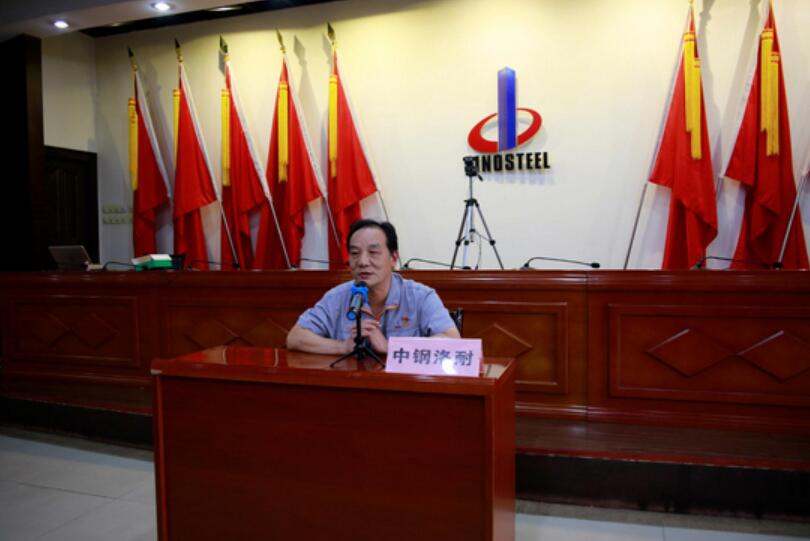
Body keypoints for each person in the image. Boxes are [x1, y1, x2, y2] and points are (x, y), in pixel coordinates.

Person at [286, 219, 460, 355]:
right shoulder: (337, 297)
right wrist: (342, 347)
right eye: (355, 253)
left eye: (373, 252)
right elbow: (296, 337)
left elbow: (452, 340)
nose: (362, 262)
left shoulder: (421, 296)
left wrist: (390, 347)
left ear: (393, 258)